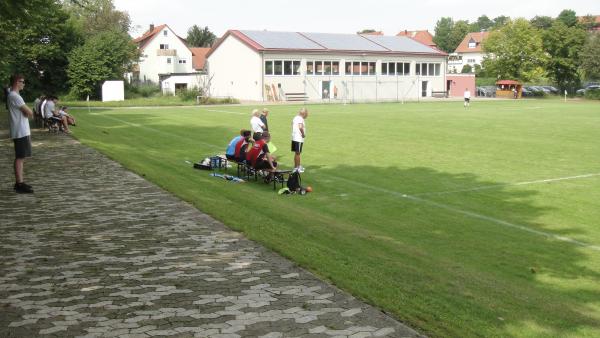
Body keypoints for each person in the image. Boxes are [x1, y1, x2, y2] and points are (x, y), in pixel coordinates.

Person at [7, 74, 34, 193]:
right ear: (17, 82)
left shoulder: (14, 96)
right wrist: (27, 112)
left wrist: (26, 112)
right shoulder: (15, 96)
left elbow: (26, 112)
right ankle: (19, 184)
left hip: (21, 130)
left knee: (21, 157)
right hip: (20, 130)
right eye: (22, 82)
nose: (24, 84)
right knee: (20, 157)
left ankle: (20, 182)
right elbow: (29, 112)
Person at [291, 107, 308, 173]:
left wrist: (294, 131)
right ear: (304, 114)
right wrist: (303, 134)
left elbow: (292, 124)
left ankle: (296, 166)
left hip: (294, 137)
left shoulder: (295, 117)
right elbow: (300, 127)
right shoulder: (300, 119)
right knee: (298, 153)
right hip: (298, 138)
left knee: (296, 153)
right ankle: (297, 168)